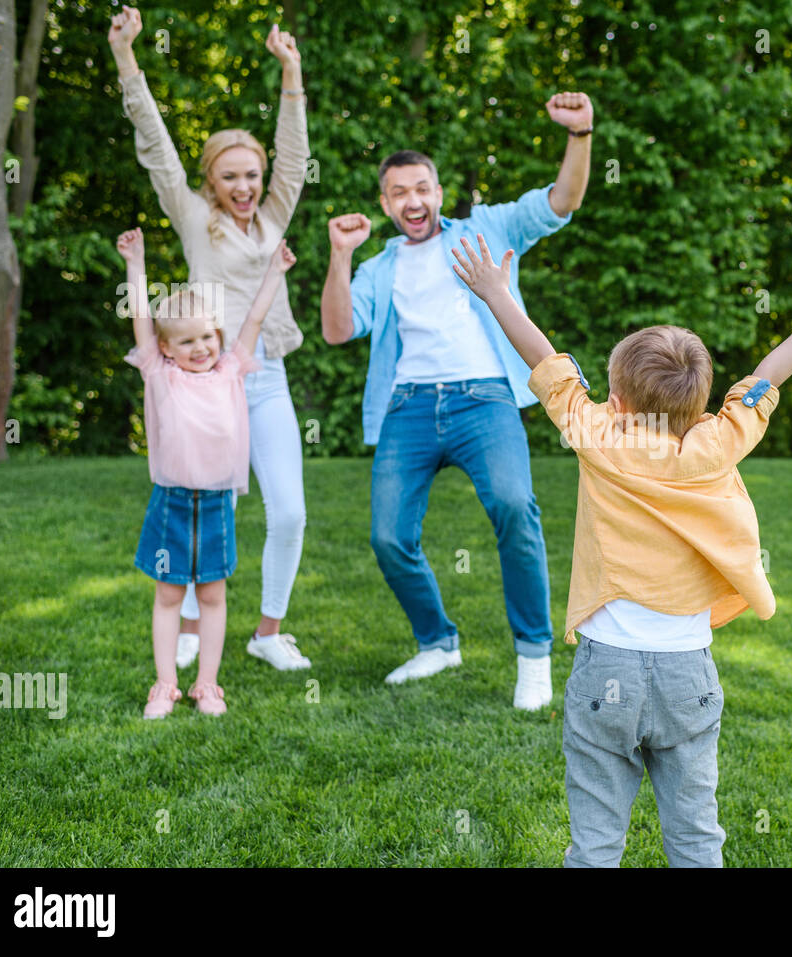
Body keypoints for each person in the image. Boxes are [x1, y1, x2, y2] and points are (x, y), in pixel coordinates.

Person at [450, 232, 792, 866]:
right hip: (687, 678)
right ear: (700, 403)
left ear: (617, 401)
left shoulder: (595, 434)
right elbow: (761, 382)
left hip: (604, 671)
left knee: (594, 842)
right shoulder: (718, 443)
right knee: (697, 836)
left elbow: (545, 360)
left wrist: (498, 295)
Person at [319, 92, 593, 709]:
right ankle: (437, 642)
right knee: (389, 538)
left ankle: (534, 655)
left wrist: (580, 135)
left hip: (484, 398)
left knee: (515, 508)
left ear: (439, 191)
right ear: (385, 203)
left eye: (422, 188)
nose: (412, 201)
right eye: (398, 193)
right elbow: (338, 329)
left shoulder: (488, 228)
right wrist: (340, 255)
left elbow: (563, 201)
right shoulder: (380, 265)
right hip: (408, 408)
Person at [109, 5, 312, 673]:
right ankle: (191, 622)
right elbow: (157, 146)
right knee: (202, 507)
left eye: (252, 174)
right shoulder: (195, 219)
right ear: (211, 181)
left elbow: (296, 154)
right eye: (231, 176)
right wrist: (126, 56)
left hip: (266, 377)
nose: (245, 186)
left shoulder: (275, 212)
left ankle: (267, 631)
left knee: (288, 512)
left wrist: (292, 72)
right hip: (204, 383)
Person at [118, 227, 298, 718]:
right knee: (169, 595)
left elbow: (256, 318)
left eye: (207, 337)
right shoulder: (160, 375)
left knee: (213, 596)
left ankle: (208, 685)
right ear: (168, 349)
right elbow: (140, 317)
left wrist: (274, 272)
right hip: (171, 502)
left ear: (217, 336)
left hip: (217, 504)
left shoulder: (231, 371)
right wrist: (136, 265)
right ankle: (165, 684)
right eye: (187, 341)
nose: (200, 347)